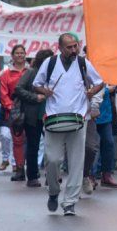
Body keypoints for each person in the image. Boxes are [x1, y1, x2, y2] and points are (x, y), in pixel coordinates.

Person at [33, 34, 104, 216]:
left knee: (76, 162)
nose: (74, 50)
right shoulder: (49, 63)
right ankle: (54, 191)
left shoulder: (82, 63)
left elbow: (99, 82)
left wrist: (91, 92)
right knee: (53, 159)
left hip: (79, 118)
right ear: (60, 48)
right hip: (54, 118)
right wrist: (45, 91)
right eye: (69, 47)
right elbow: (36, 84)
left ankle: (70, 202)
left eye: (76, 46)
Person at [14, 49, 54, 188]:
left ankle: (52, 176)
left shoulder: (54, 74)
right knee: (33, 146)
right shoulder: (32, 72)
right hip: (33, 115)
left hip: (51, 114)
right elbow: (18, 88)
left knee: (53, 147)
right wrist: (35, 97)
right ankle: (32, 176)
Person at [0, 44, 28, 182]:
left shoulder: (31, 71)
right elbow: (3, 94)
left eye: (22, 53)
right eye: (17, 53)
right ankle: (19, 168)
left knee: (33, 141)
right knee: (17, 141)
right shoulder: (6, 74)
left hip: (31, 110)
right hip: (15, 112)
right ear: (12, 56)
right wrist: (11, 108)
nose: (20, 55)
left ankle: (32, 168)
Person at [96, 86, 117, 188]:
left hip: (105, 115)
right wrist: (107, 90)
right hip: (90, 115)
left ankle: (106, 175)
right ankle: (90, 177)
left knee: (109, 143)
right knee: (92, 147)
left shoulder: (107, 71)